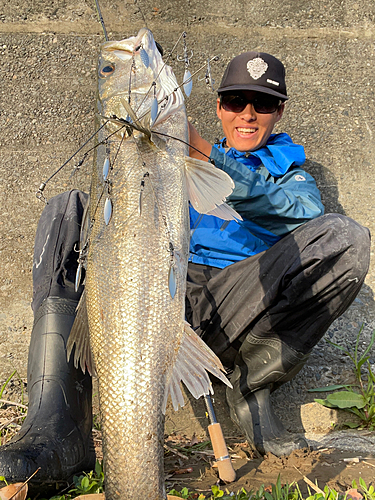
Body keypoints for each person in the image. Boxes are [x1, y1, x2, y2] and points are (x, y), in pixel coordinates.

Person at [0, 51, 370, 489]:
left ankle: (252, 385)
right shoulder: (177, 161)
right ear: (218, 106)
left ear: (279, 112)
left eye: (262, 104)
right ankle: (57, 424)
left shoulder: (292, 178)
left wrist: (209, 153)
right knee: (68, 209)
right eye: (235, 101)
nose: (247, 115)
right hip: (161, 296)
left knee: (346, 237)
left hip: (240, 303)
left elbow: (300, 212)